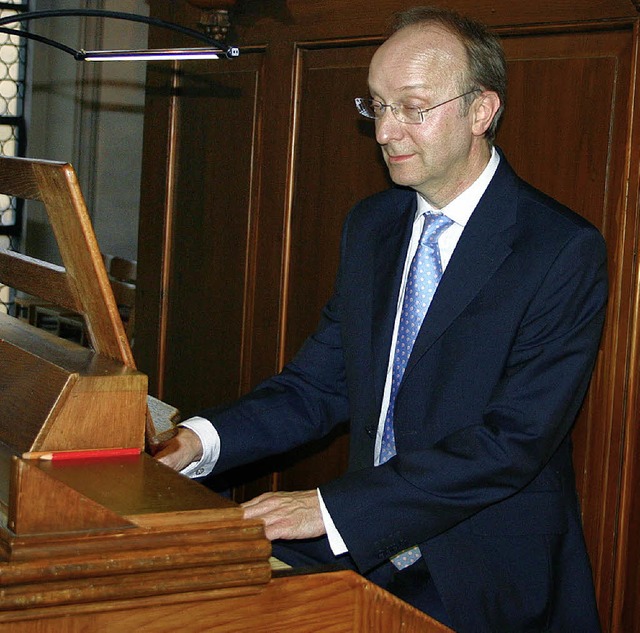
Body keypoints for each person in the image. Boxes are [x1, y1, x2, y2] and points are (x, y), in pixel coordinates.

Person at [156, 6, 607, 632]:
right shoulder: (372, 227)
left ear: (482, 111)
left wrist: (329, 508)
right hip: (365, 540)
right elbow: (318, 384)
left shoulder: (558, 249)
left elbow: (512, 443)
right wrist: (196, 442)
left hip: (482, 570)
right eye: (376, 106)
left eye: (412, 107)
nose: (386, 132)